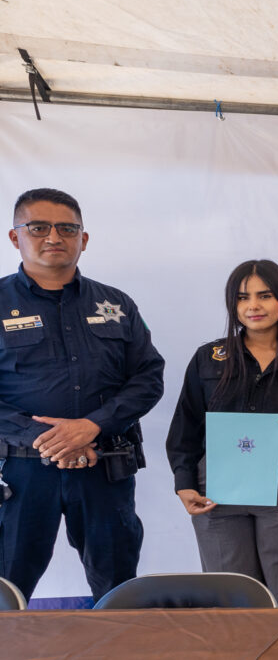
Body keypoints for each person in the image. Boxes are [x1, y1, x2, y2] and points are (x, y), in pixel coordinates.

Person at [0, 188, 164, 601]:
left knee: (117, 586)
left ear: (83, 239)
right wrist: (52, 440)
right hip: (20, 473)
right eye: (38, 227)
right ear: (15, 236)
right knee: (6, 585)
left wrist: (91, 427)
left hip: (102, 467)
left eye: (67, 228)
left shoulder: (116, 303)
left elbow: (148, 376)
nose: (54, 236)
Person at [166, 260, 278, 606]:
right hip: (218, 488)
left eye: (264, 296)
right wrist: (184, 483)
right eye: (243, 298)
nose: (253, 306)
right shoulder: (208, 358)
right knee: (231, 594)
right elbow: (186, 425)